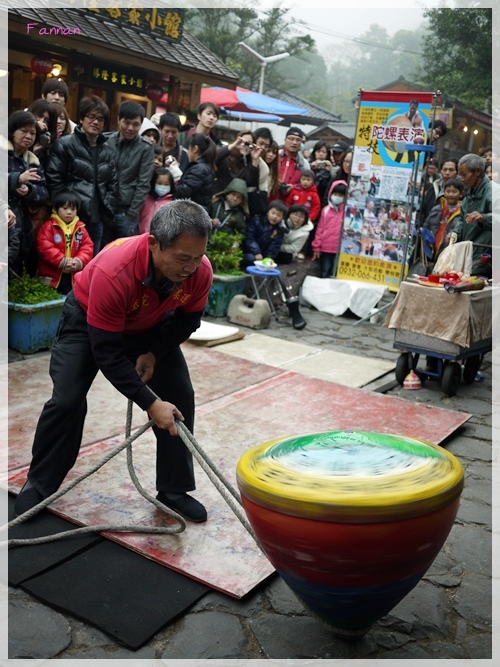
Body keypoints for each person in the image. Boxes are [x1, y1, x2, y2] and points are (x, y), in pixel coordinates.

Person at [14, 199, 214, 523]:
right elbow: (107, 352)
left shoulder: (199, 271)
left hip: (149, 328)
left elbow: (187, 321)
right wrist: (150, 403)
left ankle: (174, 490)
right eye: (182, 258)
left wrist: (155, 353)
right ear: (153, 243)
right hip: (87, 321)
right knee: (67, 399)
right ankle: (40, 483)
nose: (191, 267)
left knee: (179, 395)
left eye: (197, 257)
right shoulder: (115, 269)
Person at [46, 95, 117, 254]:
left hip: (97, 220)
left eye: (100, 119)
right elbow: (54, 178)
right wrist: (63, 208)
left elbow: (113, 185)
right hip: (70, 217)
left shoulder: (108, 152)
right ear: (81, 118)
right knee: (66, 262)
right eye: (91, 117)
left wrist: (108, 207)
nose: (95, 122)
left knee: (91, 264)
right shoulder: (65, 144)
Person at [244, 199, 306, 330]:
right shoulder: (256, 220)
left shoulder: (280, 230)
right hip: (252, 252)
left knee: (277, 266)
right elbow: (249, 237)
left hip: (264, 257)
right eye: (273, 213)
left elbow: (274, 248)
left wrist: (268, 260)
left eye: (279, 215)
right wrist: (256, 252)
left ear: (282, 218)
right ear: (268, 212)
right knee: (248, 258)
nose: (275, 217)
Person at [103, 101, 154, 243]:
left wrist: (132, 213)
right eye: (127, 122)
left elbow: (143, 183)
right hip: (104, 209)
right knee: (99, 253)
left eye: (136, 124)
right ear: (119, 119)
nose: (130, 128)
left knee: (123, 255)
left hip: (127, 212)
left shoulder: (145, 148)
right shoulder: (106, 141)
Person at [7, 110, 49, 276]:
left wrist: (29, 191)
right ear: (12, 131)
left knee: (18, 262)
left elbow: (44, 192)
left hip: (23, 221)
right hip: (5, 217)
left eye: (32, 133)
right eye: (24, 131)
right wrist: (17, 178)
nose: (29, 136)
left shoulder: (32, 160)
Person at [36, 191, 94, 294]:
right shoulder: (49, 227)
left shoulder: (80, 228)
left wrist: (78, 261)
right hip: (51, 276)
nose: (69, 212)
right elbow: (44, 247)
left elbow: (87, 247)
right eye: (65, 208)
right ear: (55, 210)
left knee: (70, 299)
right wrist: (62, 261)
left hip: (72, 275)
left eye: (73, 209)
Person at [455, 153, 494, 277]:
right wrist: (455, 233)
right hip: (468, 253)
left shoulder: (494, 192)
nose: (461, 179)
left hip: (485, 256)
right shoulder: (469, 194)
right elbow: (462, 219)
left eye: (464, 175)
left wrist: (484, 218)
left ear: (477, 171)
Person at [422, 178, 463, 264]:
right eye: (448, 191)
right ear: (444, 192)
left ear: (461, 194)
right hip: (431, 251)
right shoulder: (436, 209)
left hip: (449, 255)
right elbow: (426, 226)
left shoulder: (462, 212)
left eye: (454, 192)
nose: (451, 194)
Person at [312, 180, 347, 278]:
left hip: (340, 249)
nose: (337, 197)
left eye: (341, 195)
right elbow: (320, 229)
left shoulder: (347, 212)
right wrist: (316, 247)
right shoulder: (326, 210)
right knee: (325, 271)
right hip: (326, 247)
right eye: (335, 194)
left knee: (337, 272)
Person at [212, 129, 262, 196]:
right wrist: (233, 145)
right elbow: (212, 158)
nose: (244, 146)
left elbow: (251, 184)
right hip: (218, 197)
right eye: (242, 142)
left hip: (235, 202)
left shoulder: (249, 164)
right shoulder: (226, 156)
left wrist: (255, 160)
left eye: (248, 144)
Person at [174, 133, 216, 209]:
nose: (187, 152)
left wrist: (169, 182)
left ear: (195, 149)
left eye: (188, 149)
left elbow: (184, 191)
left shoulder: (199, 169)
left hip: (191, 212)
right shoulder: (203, 166)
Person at [419, 159, 458, 223]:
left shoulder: (461, 191)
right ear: (441, 171)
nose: (447, 173)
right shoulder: (433, 187)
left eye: (451, 170)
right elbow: (422, 210)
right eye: (445, 169)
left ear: (456, 172)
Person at [139, 167, 175, 234]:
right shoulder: (145, 198)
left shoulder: (171, 203)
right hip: (141, 235)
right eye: (159, 183)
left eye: (166, 184)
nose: (163, 186)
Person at [277, 127, 310, 202]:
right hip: (271, 200)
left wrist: (294, 187)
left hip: (292, 203)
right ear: (285, 140)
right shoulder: (276, 155)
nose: (294, 142)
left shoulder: (304, 163)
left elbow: (308, 185)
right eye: (291, 139)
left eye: (298, 140)